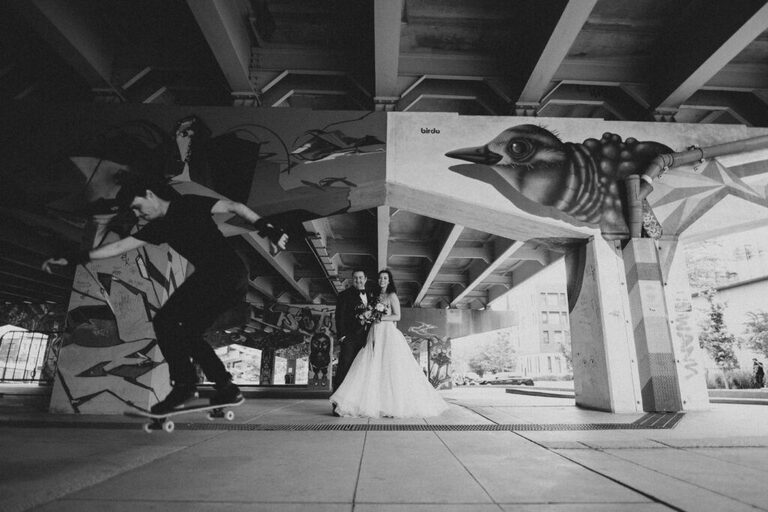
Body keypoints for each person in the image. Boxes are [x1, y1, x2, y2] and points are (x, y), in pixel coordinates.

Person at [42, 173, 288, 414]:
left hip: (222, 273)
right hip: (228, 280)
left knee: (164, 321)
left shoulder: (189, 203)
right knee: (190, 334)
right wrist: (73, 257)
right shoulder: (158, 228)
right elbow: (118, 247)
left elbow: (235, 206)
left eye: (138, 208)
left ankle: (184, 386)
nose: (139, 215)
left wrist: (266, 227)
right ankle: (226, 387)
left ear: (149, 194)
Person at [330, 269, 449, 418]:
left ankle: (388, 404)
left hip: (384, 332)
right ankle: (340, 404)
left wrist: (379, 318)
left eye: (385, 278)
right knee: (354, 367)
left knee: (386, 366)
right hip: (365, 335)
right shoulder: (371, 295)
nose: (382, 280)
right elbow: (340, 316)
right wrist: (343, 336)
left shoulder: (390, 295)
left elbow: (397, 316)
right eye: (380, 278)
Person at [332, 269, 373, 414]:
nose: (358, 280)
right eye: (355, 278)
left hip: (367, 339)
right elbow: (339, 317)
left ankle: (357, 404)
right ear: (352, 280)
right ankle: (337, 404)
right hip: (350, 338)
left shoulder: (371, 296)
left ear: (365, 279)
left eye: (361, 278)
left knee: (362, 371)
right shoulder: (344, 295)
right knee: (344, 368)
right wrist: (342, 336)